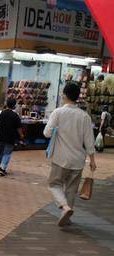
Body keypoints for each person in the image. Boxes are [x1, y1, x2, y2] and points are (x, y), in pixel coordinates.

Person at [43, 81, 97, 227]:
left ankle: (64, 207)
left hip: (60, 158)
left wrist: (57, 129)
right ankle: (67, 217)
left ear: (64, 95)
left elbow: (47, 133)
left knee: (54, 184)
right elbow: (89, 141)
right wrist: (92, 160)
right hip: (78, 160)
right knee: (71, 189)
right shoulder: (84, 116)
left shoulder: (58, 112)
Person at [0, 98, 23, 176]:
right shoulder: (15, 115)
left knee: (1, 152)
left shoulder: (0, 113)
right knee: (7, 153)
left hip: (0, 136)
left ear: (6, 104)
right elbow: (19, 127)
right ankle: (2, 168)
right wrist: (21, 135)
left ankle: (1, 167)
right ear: (14, 106)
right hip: (10, 137)